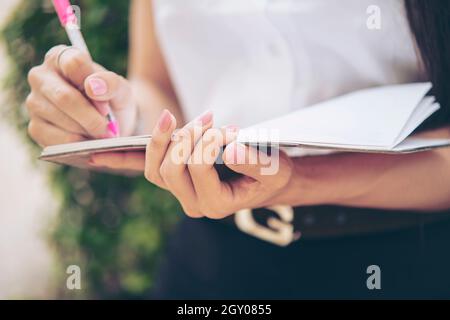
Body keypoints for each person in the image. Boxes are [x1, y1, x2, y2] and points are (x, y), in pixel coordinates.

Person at [25, 0, 450, 298]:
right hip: (215, 259)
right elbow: (157, 84)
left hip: (404, 256)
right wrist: (118, 118)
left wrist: (296, 181)